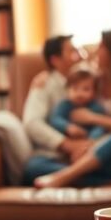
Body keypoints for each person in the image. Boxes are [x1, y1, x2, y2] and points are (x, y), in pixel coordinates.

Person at [28, 29, 111, 189]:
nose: (95, 51)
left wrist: (92, 122)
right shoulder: (95, 80)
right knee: (32, 168)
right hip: (102, 160)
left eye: (101, 46)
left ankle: (66, 176)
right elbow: (74, 81)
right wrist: (48, 75)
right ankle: (108, 182)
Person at [21, 35, 94, 165]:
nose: (78, 55)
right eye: (72, 51)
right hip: (55, 155)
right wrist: (65, 144)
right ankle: (96, 179)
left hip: (91, 147)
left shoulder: (92, 79)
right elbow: (32, 123)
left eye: (78, 50)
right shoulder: (43, 84)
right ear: (55, 60)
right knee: (33, 168)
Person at [49, 68, 108, 141]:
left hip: (88, 141)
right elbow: (55, 119)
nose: (79, 93)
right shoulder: (65, 104)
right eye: (75, 88)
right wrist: (68, 127)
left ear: (94, 93)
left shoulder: (96, 107)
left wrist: (92, 137)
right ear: (67, 90)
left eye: (86, 89)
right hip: (67, 141)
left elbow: (100, 126)